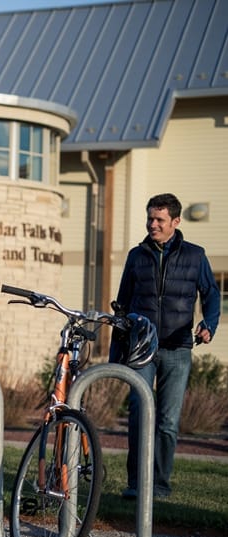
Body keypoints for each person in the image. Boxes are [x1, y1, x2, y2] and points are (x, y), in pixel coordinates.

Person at [113, 193, 219, 499]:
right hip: (142, 348)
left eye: (159, 219)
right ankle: (136, 484)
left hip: (178, 347)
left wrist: (208, 325)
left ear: (176, 221)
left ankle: (158, 485)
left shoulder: (195, 256)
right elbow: (122, 306)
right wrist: (116, 354)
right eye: (150, 218)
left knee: (168, 420)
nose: (153, 224)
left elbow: (211, 294)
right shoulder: (136, 256)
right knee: (138, 413)